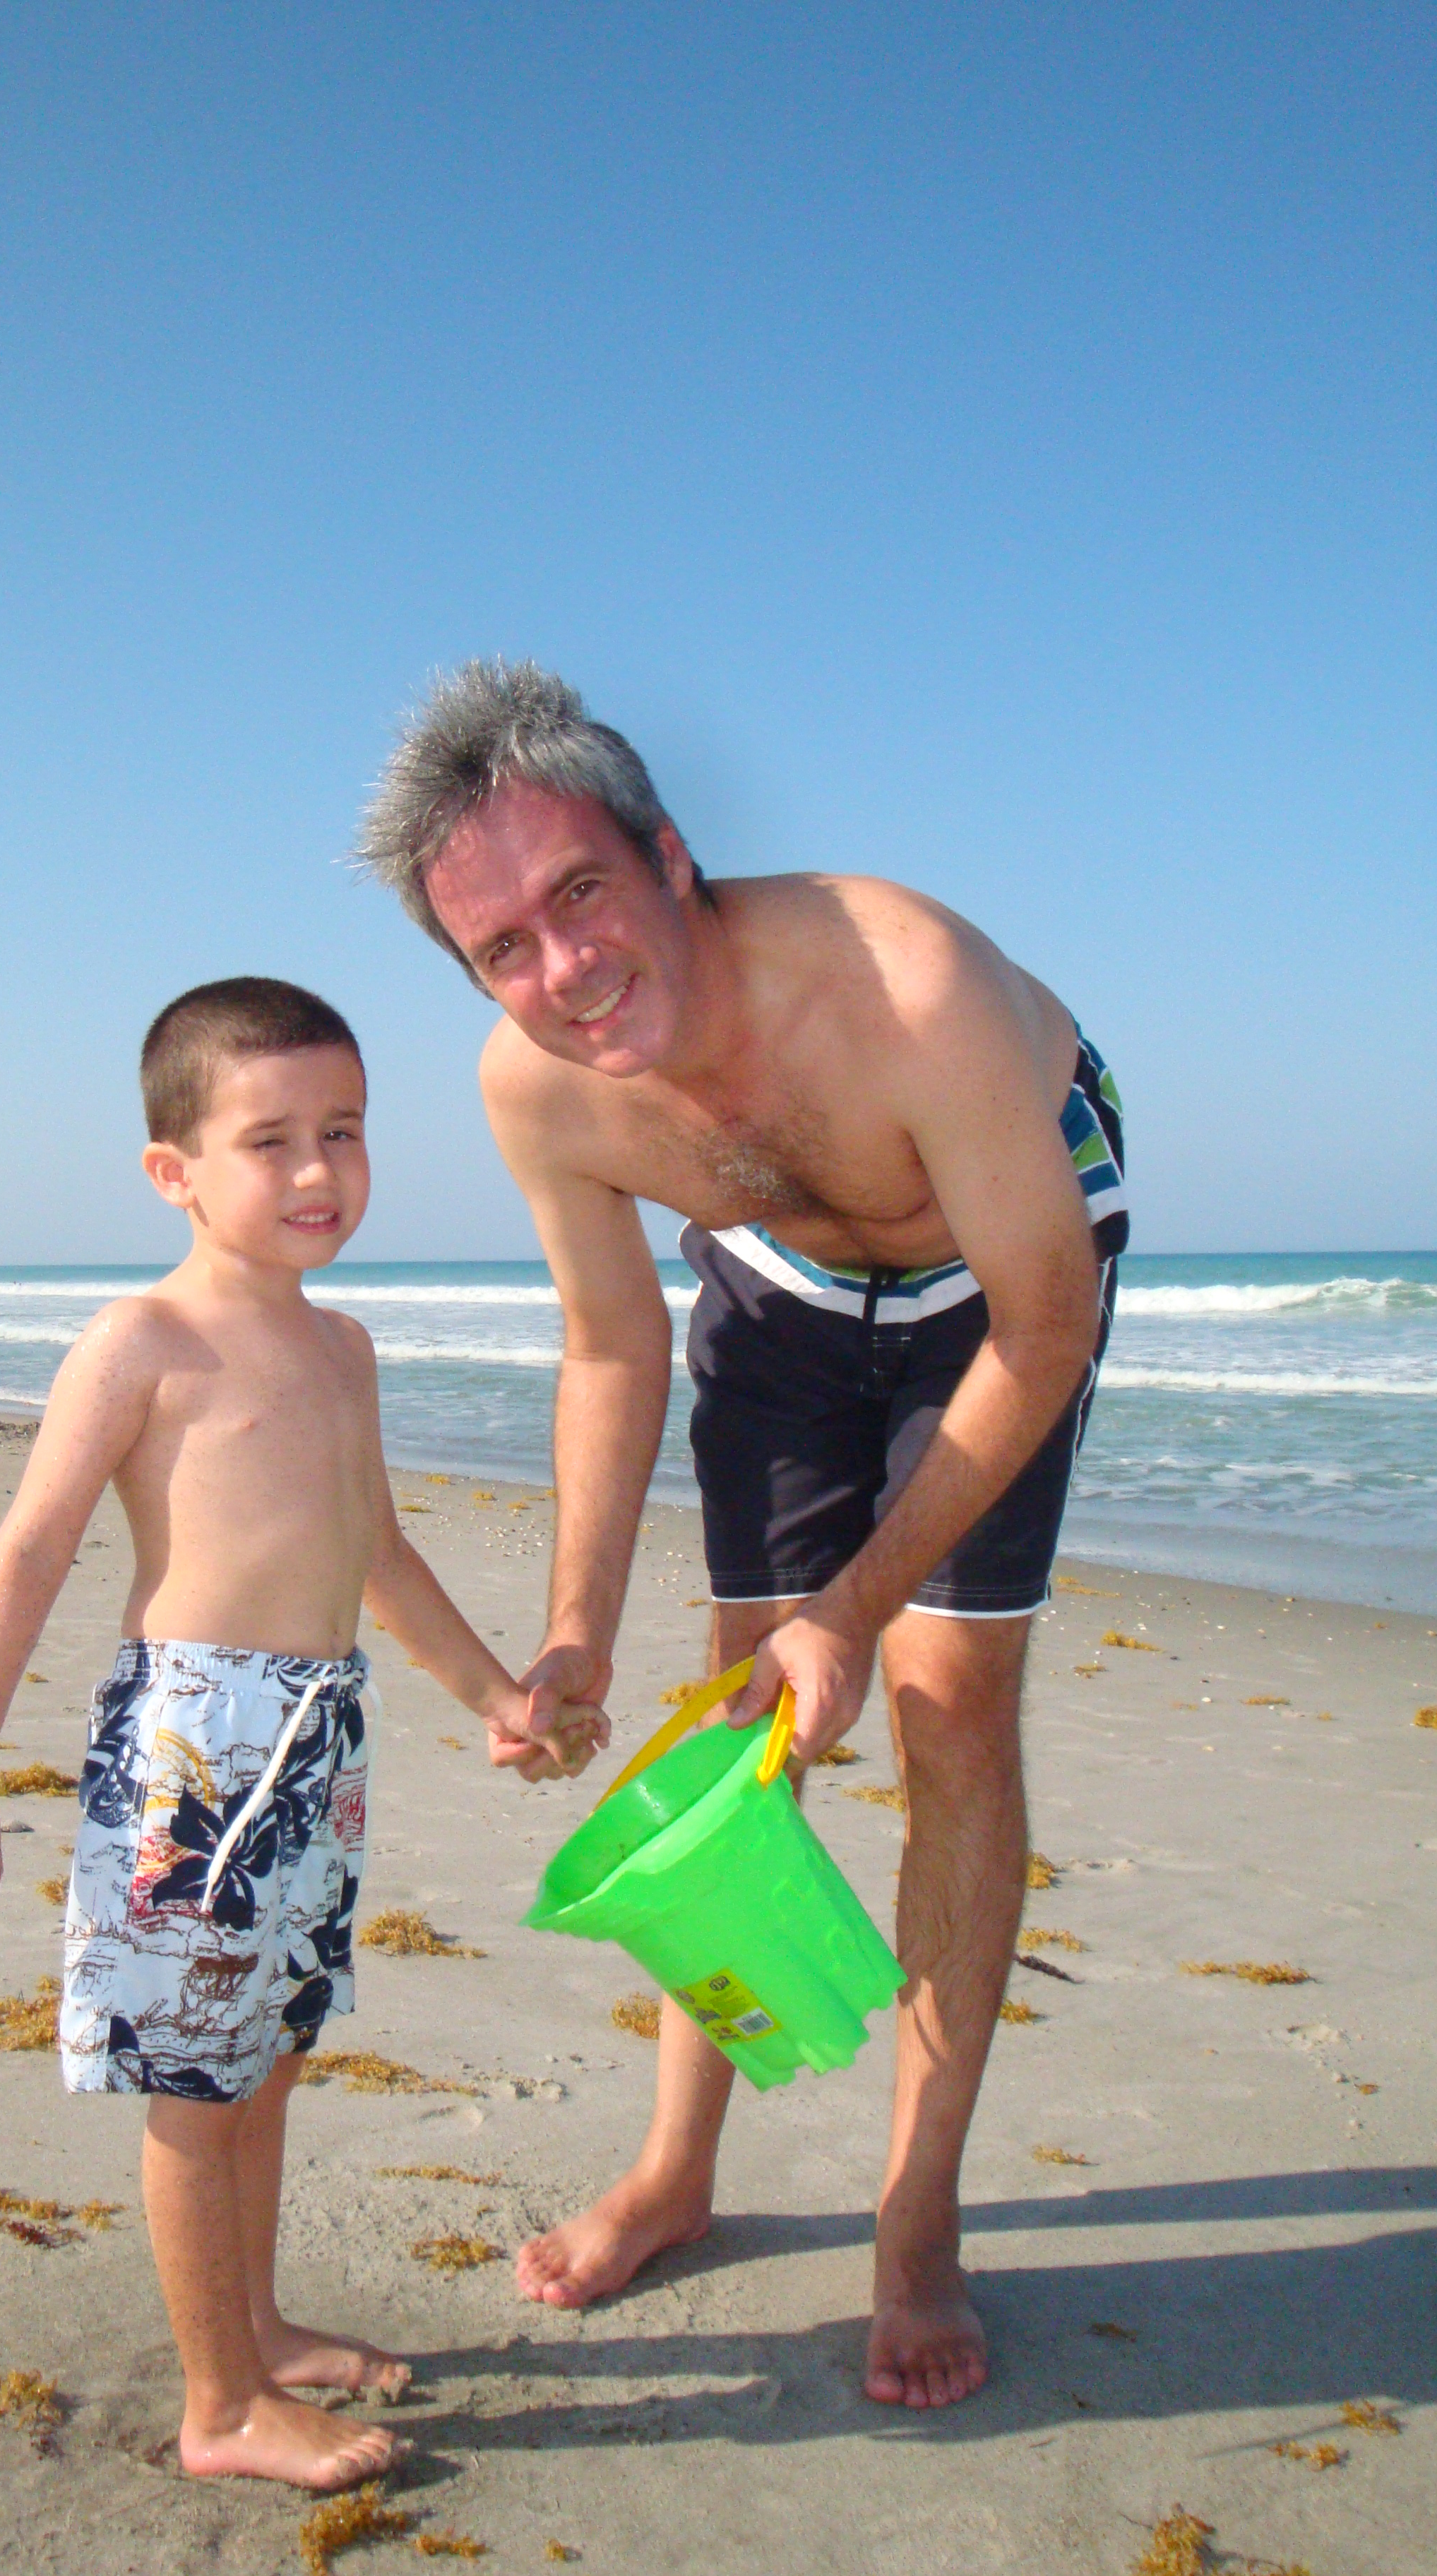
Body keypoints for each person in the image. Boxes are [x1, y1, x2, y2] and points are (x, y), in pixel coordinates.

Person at [357, 664, 1127, 2412]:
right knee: (733, 1721)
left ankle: (917, 2221)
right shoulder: (541, 1091)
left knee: (947, 1708)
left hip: (1003, 1269)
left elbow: (1046, 1328)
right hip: (783, 1273)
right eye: (503, 947)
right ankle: (676, 2170)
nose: (564, 967)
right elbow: (611, 1347)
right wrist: (574, 1630)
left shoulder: (906, 983)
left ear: (670, 857)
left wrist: (853, 1608)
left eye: (582, 893)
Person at [0, 975, 604, 2491]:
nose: (316, 1170)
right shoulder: (144, 1341)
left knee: (269, 2055)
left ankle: (259, 2328)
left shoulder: (344, 1348)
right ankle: (217, 2405)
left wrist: (497, 1694)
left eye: (343, 1131)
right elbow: (28, 1551)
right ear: (175, 1171)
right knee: (194, 2085)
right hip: (194, 1750)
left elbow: (378, 1553)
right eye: (270, 1140)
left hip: (318, 1739)